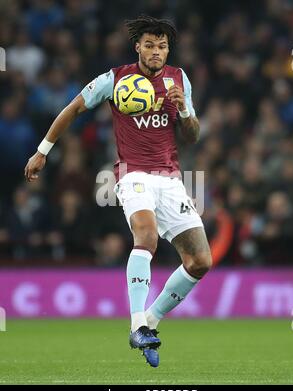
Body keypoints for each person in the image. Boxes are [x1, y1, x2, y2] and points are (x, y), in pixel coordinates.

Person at [24, 15, 212, 368]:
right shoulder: (115, 79)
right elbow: (74, 107)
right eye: (150, 45)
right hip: (132, 174)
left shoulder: (178, 79)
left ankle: (151, 321)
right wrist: (42, 151)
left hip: (169, 179)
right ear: (137, 47)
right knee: (147, 236)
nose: (156, 52)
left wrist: (183, 108)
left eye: (162, 46)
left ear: (168, 50)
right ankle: (137, 323)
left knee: (200, 261)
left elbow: (192, 136)